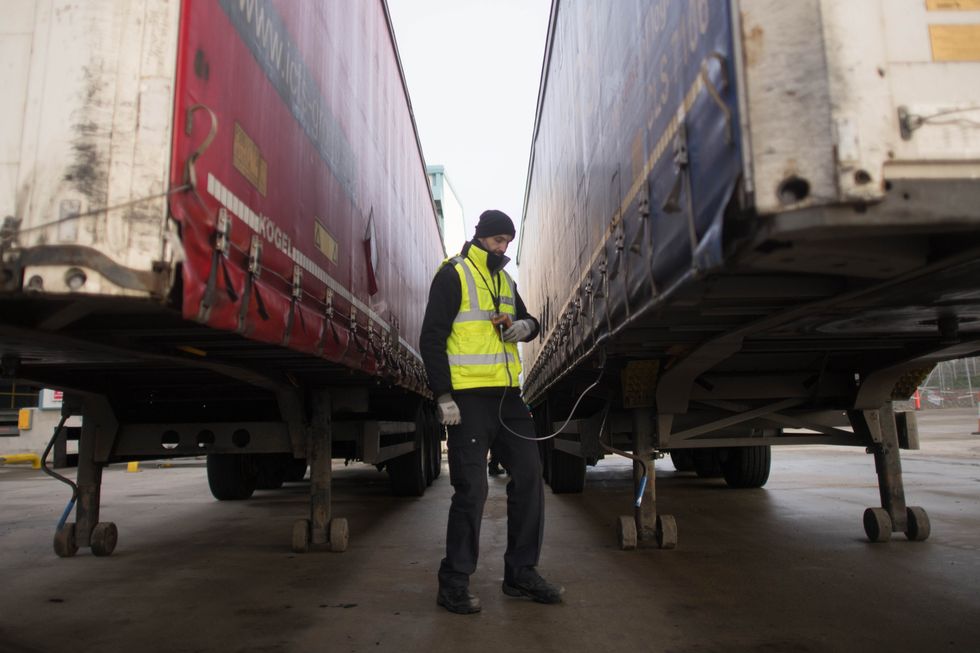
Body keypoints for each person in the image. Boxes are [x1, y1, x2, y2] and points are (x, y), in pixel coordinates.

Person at [420, 209, 564, 615]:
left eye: (508, 242)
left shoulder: (504, 279)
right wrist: (442, 396)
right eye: (499, 241)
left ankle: (520, 574)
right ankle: (453, 582)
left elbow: (529, 319)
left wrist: (524, 328)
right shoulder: (453, 274)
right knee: (472, 489)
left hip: (508, 398)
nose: (504, 248)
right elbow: (431, 338)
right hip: (467, 398)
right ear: (481, 237)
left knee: (531, 477)